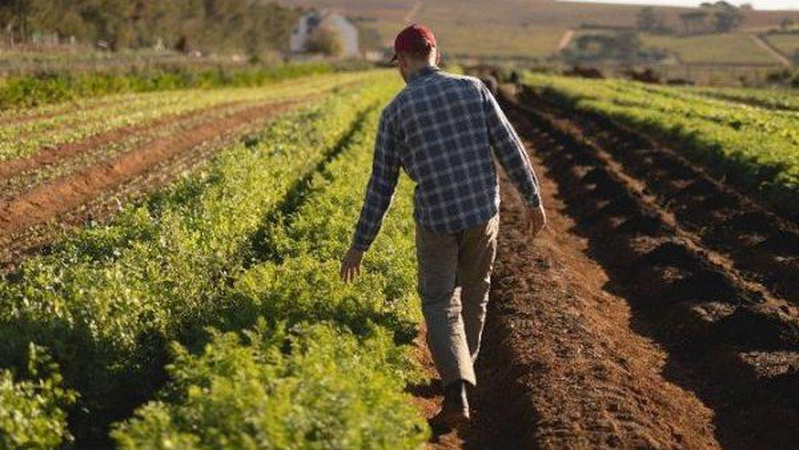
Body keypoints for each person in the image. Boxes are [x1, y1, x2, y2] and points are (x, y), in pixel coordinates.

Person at [340, 24, 546, 431]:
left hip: (436, 218)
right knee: (476, 291)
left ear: (402, 60)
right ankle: (463, 375)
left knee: (438, 301)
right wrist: (532, 198)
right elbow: (509, 145)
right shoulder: (473, 89)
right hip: (481, 212)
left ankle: (456, 389)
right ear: (435, 52)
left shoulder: (395, 112)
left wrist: (359, 246)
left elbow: (381, 187)